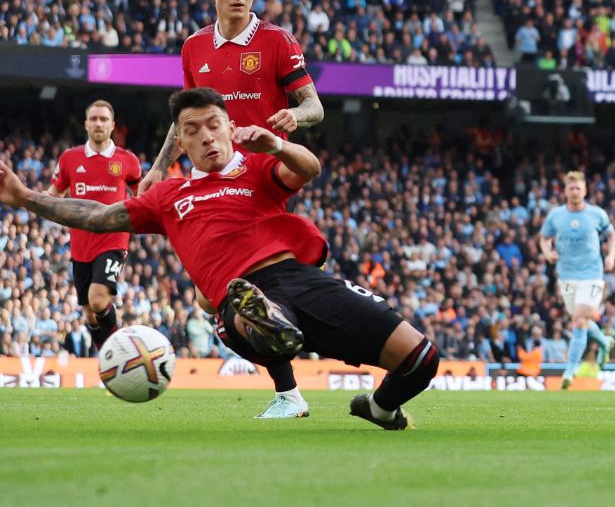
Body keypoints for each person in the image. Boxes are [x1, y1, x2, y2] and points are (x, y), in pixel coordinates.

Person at [1, 88, 437, 431]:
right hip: (238, 292)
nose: (206, 136)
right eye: (192, 129)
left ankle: (379, 408)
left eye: (214, 125)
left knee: (422, 358)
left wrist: (278, 146)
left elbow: (309, 169)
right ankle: (261, 325)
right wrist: (24, 197)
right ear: (180, 142)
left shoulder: (255, 167)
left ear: (230, 128)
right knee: (242, 309)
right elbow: (97, 216)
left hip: (302, 278)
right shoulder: (168, 196)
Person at [138, 0, 325, 420]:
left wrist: (293, 118)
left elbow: (314, 106)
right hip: (210, 180)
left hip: (261, 180)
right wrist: (160, 166)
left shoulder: (278, 41)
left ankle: (290, 381)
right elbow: (184, 119)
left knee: (231, 287)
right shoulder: (194, 47)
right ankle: (287, 372)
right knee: (210, 295)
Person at [47, 100, 141, 353]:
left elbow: (142, 194)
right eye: (94, 119)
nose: (98, 123)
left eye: (103, 119)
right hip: (80, 245)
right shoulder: (69, 159)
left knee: (99, 300)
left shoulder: (128, 160)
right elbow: (53, 194)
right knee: (90, 314)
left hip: (113, 240)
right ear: (86, 124)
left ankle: (120, 349)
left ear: (112, 125)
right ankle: (106, 355)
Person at [538, 170, 615, 389]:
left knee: (580, 320)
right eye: (571, 188)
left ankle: (570, 370)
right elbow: (544, 238)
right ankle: (603, 340)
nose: (574, 192)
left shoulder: (597, 214)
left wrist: (611, 255)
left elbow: (612, 235)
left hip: (591, 274)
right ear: (565, 191)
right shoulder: (556, 216)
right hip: (566, 275)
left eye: (578, 188)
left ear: (585, 190)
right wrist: (547, 252)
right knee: (581, 320)